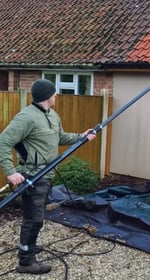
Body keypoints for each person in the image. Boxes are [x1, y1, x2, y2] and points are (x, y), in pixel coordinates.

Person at [0, 79, 96, 274]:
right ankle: (26, 261)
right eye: (54, 92)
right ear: (47, 95)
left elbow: (59, 137)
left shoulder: (52, 115)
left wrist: (80, 136)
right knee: (33, 219)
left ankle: (30, 246)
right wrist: (11, 172)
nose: (56, 95)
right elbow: (3, 142)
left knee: (38, 217)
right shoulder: (26, 117)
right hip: (33, 175)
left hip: (47, 174)